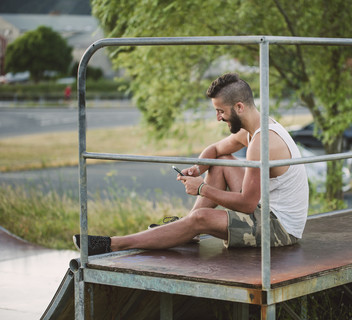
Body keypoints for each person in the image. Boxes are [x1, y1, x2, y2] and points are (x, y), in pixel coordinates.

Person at [73, 73, 309, 255]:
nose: (218, 118)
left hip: (279, 228)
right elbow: (215, 150)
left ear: (239, 107)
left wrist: (201, 188)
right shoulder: (254, 128)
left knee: (201, 219)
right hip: (265, 210)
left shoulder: (262, 141)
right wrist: (199, 168)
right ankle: (186, 229)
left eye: (220, 111)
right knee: (219, 161)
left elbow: (247, 204)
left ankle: (114, 244)